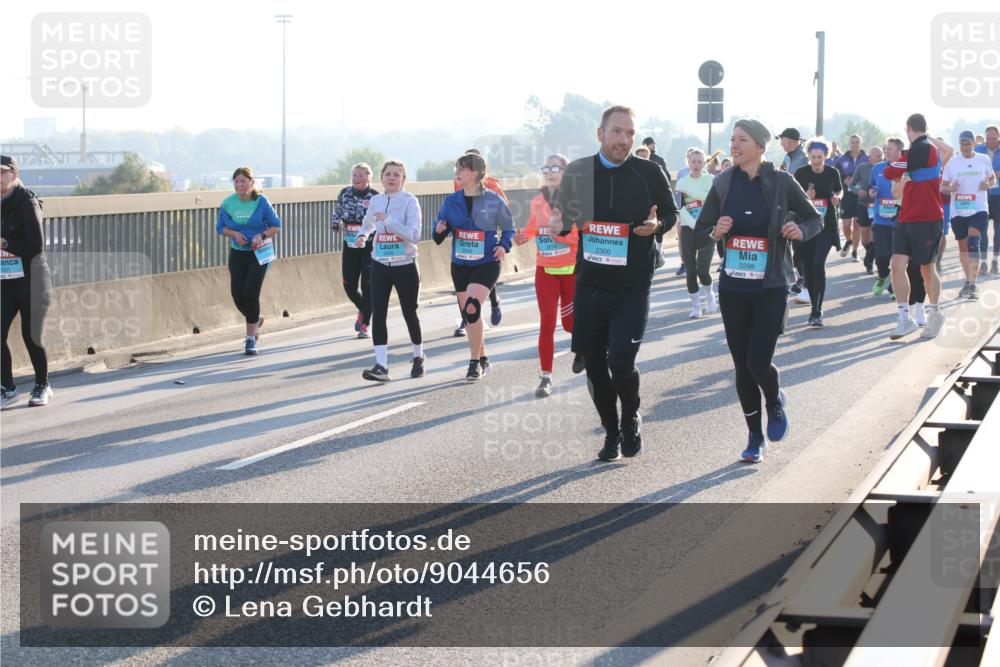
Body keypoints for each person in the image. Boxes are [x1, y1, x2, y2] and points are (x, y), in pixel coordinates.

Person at [550, 106, 678, 462]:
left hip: (633, 284)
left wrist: (657, 228)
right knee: (593, 365)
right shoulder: (578, 172)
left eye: (630, 134)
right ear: (600, 134)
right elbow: (565, 219)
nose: (624, 140)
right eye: (617, 132)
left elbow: (671, 213)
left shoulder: (649, 172)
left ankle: (631, 416)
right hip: (590, 284)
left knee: (622, 362)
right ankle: (611, 431)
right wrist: (557, 225)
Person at [694, 120, 823, 463]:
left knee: (757, 361)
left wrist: (798, 229)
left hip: (771, 285)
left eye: (742, 140)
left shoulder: (781, 181)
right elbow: (700, 231)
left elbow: (816, 220)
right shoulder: (723, 182)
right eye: (732, 139)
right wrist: (715, 232)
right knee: (741, 365)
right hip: (733, 286)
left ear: (761, 147)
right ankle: (754, 437)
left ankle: (775, 399)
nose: (734, 146)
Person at [434, 151, 514, 381]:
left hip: (487, 262)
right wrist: (439, 229)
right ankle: (483, 358)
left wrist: (504, 246)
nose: (457, 173)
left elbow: (509, 227)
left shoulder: (493, 200)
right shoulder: (452, 201)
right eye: (456, 169)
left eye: (461, 169)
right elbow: (439, 232)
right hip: (460, 264)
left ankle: (473, 363)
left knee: (471, 307)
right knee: (469, 315)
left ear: (475, 173)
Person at [514, 155, 579, 398]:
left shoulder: (574, 201)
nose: (550, 172)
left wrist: (561, 237)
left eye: (556, 168)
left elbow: (581, 236)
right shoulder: (537, 200)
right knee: (547, 324)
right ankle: (546, 377)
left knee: (571, 324)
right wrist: (525, 236)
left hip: (571, 269)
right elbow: (533, 226)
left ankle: (586, 350)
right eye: (546, 168)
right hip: (545, 270)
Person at [355, 160, 425, 381]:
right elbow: (368, 224)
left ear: (403, 179)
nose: (392, 178)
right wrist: (362, 236)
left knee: (409, 312)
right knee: (379, 313)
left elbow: (414, 235)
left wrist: (390, 221)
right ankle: (381, 366)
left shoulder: (409, 201)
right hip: (380, 264)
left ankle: (418, 355)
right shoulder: (375, 200)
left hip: (405, 264)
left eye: (396, 174)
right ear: (382, 178)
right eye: (388, 174)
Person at [885, 114, 949, 340]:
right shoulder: (913, 154)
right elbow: (892, 174)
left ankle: (935, 313)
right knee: (896, 265)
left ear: (908, 128)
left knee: (926, 269)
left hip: (928, 218)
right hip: (905, 217)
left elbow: (891, 170)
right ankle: (905, 318)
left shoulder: (926, 148)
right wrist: (902, 172)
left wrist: (900, 169)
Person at [1, 155, 52, 407]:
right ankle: (7, 388)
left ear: (14, 174)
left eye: (1, 172)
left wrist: (5, 243)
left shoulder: (27, 201)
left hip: (32, 280)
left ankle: (42, 385)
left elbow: (36, 246)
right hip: (6, 281)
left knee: (31, 336)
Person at [216, 166, 282, 355]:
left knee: (251, 292)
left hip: (259, 253)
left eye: (243, 181)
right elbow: (220, 228)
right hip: (238, 252)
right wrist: (235, 233)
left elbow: (276, 226)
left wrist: (261, 235)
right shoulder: (228, 203)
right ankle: (255, 319)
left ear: (252, 183)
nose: (239, 185)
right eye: (236, 181)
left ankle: (250, 339)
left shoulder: (261, 201)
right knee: (237, 294)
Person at [453, 148, 507, 335]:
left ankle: (493, 303)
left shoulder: (492, 185)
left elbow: (504, 211)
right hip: (465, 242)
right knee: (466, 285)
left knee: (481, 281)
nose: (459, 171)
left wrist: (503, 243)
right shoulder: (457, 182)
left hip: (486, 242)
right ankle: (466, 319)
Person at [793, 139, 843, 327]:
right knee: (807, 266)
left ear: (826, 156)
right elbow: (794, 196)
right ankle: (814, 305)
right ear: (809, 156)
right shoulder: (801, 173)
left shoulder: (832, 173)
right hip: (806, 226)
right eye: (813, 157)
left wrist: (837, 197)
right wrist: (806, 195)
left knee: (817, 265)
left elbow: (839, 190)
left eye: (819, 157)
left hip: (826, 225)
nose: (816, 161)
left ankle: (817, 311)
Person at [943, 130, 996, 301]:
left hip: (979, 208)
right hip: (958, 209)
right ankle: (968, 280)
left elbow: (992, 179)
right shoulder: (953, 163)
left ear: (974, 143)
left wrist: (987, 184)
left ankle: (973, 285)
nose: (965, 147)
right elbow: (943, 186)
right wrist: (951, 188)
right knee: (963, 247)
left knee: (974, 242)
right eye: (962, 143)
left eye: (968, 143)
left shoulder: (983, 159)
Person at [331, 163, 378, 339]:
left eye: (360, 176)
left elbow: (378, 220)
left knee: (368, 285)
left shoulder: (375, 197)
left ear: (369, 177)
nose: (356, 179)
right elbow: (338, 212)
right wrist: (336, 224)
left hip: (369, 246)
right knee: (348, 285)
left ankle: (365, 324)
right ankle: (364, 309)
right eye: (354, 176)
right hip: (350, 245)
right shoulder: (345, 193)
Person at [675, 148, 717, 318]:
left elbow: (709, 199)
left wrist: (691, 193)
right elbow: (680, 207)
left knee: (703, 271)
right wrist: (693, 223)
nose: (696, 165)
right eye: (693, 161)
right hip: (687, 228)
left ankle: (710, 296)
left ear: (704, 163)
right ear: (688, 163)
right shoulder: (681, 182)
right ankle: (696, 306)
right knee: (691, 270)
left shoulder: (711, 179)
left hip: (707, 229)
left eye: (700, 161)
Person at [869, 138, 904, 297]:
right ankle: (883, 276)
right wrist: (872, 193)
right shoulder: (878, 168)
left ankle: (893, 287)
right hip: (880, 218)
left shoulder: (907, 169)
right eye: (886, 148)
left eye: (890, 149)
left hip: (901, 219)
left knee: (898, 257)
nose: (887, 151)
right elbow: (871, 187)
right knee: (882, 255)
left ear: (899, 151)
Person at [834, 134, 869, 261]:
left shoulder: (866, 158)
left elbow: (870, 175)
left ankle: (854, 252)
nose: (855, 144)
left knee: (857, 224)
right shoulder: (842, 159)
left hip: (860, 195)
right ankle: (849, 240)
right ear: (849, 144)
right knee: (846, 225)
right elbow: (836, 175)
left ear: (860, 143)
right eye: (852, 142)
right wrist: (845, 181)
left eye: (857, 142)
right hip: (847, 195)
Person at [974, 125, 1000, 275]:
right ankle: (983, 263)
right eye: (988, 139)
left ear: (998, 137)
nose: (990, 141)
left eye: (994, 139)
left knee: (999, 230)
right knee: (982, 229)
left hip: (998, 194)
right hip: (982, 195)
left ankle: (995, 261)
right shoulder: (978, 151)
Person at [853, 147, 880, 273]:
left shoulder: (886, 168)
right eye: (878, 156)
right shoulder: (862, 168)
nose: (881, 158)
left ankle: (869, 261)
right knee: (864, 240)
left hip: (880, 206)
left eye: (881, 155)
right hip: (864, 205)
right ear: (870, 157)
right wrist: (858, 191)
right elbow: (851, 186)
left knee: (876, 234)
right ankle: (870, 253)